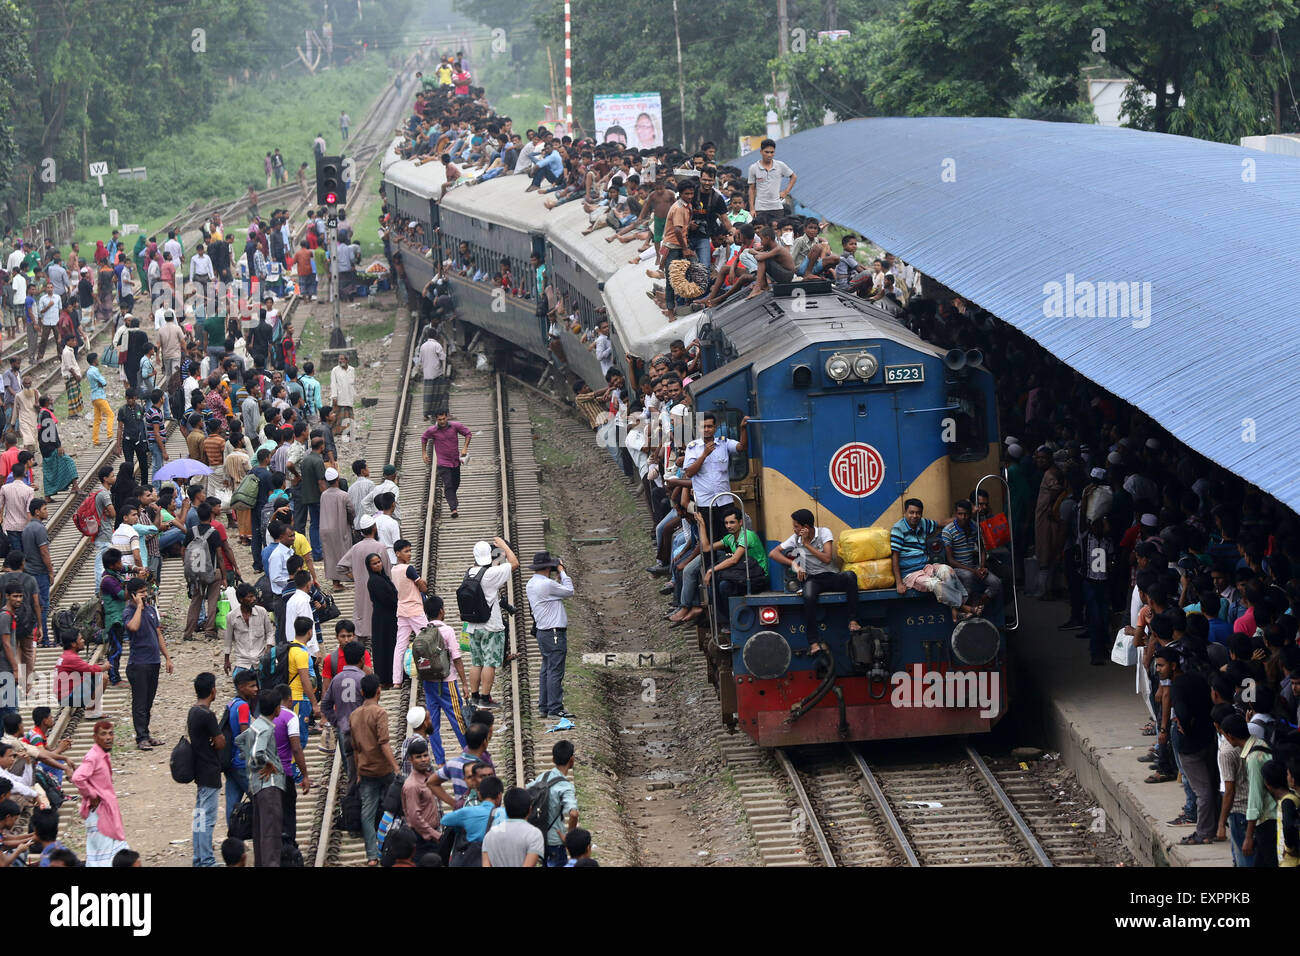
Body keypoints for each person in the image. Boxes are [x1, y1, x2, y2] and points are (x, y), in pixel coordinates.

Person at [768, 509, 863, 654]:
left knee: (850, 576)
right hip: (814, 579)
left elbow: (827, 558)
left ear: (806, 527)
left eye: (796, 526)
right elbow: (773, 553)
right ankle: (813, 642)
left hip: (831, 575)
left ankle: (853, 621)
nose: (794, 529)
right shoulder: (795, 538)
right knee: (808, 596)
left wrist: (806, 545)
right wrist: (794, 564)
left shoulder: (824, 533)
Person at [890, 498, 971, 616]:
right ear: (905, 513)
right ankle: (963, 607)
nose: (915, 516)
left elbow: (941, 523)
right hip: (910, 574)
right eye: (911, 512)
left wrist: (962, 517)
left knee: (947, 570)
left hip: (925, 568)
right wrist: (898, 583)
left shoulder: (922, 523)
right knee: (934, 584)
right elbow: (895, 557)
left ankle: (956, 608)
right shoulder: (898, 529)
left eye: (918, 513)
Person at [464, 537, 519, 708]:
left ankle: (474, 697)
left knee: (476, 662)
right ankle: (485, 698)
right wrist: (503, 546)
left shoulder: (470, 572)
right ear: (490, 555)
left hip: (473, 626)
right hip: (491, 626)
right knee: (490, 663)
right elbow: (514, 563)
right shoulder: (492, 574)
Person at [236, 686, 285, 867]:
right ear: (276, 709)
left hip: (256, 785)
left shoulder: (255, 726)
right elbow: (258, 751)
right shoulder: (266, 729)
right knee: (271, 834)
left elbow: (240, 741)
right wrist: (266, 763)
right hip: (269, 786)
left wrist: (249, 761)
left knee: (260, 834)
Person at [352, 674, 397, 865]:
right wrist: (395, 767)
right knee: (394, 809)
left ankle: (372, 855)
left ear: (362, 692)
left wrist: (358, 772)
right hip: (384, 770)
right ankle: (390, 848)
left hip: (365, 770)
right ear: (379, 691)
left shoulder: (354, 715)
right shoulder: (380, 713)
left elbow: (355, 748)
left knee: (367, 814)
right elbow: (384, 743)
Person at [418, 594, 468, 765]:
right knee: (458, 720)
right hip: (448, 682)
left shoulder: (423, 631)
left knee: (433, 725)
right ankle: (470, 754)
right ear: (441, 611)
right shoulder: (447, 631)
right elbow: (457, 658)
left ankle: (440, 761)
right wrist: (465, 684)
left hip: (429, 684)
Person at [71, 720, 129, 866]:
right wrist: (92, 794)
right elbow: (78, 778)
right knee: (107, 856)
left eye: (111, 733)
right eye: (103, 734)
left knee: (107, 854)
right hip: (100, 814)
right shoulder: (93, 756)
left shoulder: (102, 755)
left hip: (105, 812)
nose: (108, 737)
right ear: (95, 737)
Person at [124, 578, 172, 750]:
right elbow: (133, 627)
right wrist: (138, 606)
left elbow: (158, 634)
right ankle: (141, 737)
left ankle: (146, 733)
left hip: (153, 661)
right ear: (133, 594)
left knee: (148, 701)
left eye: (146, 591)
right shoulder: (129, 612)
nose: (145, 594)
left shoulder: (151, 610)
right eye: (142, 592)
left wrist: (167, 657)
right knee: (140, 702)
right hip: (138, 663)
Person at [526, 551, 575, 719]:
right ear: (548, 567)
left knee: (546, 669)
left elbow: (555, 590)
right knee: (555, 670)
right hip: (554, 632)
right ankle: (555, 708)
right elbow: (569, 591)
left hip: (543, 632)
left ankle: (544, 706)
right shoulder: (547, 585)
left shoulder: (532, 583)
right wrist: (562, 571)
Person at [188, 672, 226, 867]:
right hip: (210, 771)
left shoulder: (193, 711)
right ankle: (207, 861)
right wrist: (218, 739)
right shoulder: (208, 715)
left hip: (199, 771)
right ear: (213, 690)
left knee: (199, 818)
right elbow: (220, 742)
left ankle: (199, 858)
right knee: (207, 818)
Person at [943, 499, 1003, 612]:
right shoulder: (948, 531)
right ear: (956, 514)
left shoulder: (975, 527)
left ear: (970, 514)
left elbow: (982, 549)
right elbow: (950, 560)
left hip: (973, 567)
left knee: (996, 583)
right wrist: (973, 571)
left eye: (966, 514)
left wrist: (982, 566)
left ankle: (978, 604)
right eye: (960, 514)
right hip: (956, 569)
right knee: (968, 576)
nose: (963, 517)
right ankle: (965, 609)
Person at [526, 739, 580, 867]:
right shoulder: (565, 786)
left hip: (538, 838)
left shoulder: (543, 777)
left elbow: (526, 792)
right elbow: (573, 814)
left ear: (553, 760)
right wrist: (569, 837)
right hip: (555, 842)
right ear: (571, 759)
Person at [339, 515, 389, 646]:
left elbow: (341, 567)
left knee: (361, 622)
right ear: (374, 528)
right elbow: (388, 573)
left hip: (361, 590)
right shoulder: (380, 547)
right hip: (379, 590)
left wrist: (355, 577)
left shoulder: (356, 548)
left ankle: (359, 651)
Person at [482, 786, 544, 867]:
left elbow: (486, 864)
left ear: (506, 809)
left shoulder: (490, 834)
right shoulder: (534, 834)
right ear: (530, 809)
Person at [400, 737, 441, 857]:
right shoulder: (412, 785)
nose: (423, 760)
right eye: (418, 757)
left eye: (425, 755)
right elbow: (414, 817)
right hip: (421, 838)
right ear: (410, 760)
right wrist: (434, 834)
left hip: (430, 835)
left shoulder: (427, 778)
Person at [223, 582, 275, 676]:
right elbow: (228, 640)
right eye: (250, 597)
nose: (254, 599)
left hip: (260, 659)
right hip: (243, 662)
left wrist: (268, 648)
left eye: (254, 596)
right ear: (241, 599)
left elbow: (270, 632)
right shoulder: (231, 616)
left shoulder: (262, 612)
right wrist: (227, 660)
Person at [20, 497, 51, 648]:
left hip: (29, 572)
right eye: (44, 509)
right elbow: (44, 553)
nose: (47, 511)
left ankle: (33, 637)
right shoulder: (39, 529)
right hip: (40, 573)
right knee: (42, 606)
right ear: (37, 512)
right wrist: (50, 572)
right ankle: (43, 639)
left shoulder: (26, 528)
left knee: (33, 606)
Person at [746, 139, 795, 226]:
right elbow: (752, 189)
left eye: (772, 152)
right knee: (762, 232)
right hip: (760, 208)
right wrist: (752, 208)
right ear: (761, 151)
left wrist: (785, 192)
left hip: (777, 207)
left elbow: (793, 177)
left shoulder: (780, 165)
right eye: (767, 152)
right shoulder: (754, 168)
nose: (769, 155)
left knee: (777, 232)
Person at [319, 467, 353, 589]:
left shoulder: (323, 495)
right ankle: (348, 576)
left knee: (330, 555)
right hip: (340, 528)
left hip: (324, 528)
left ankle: (335, 583)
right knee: (343, 553)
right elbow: (351, 511)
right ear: (337, 479)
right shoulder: (344, 495)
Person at [417, 331, 447, 420]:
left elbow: (420, 360)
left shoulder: (423, 346)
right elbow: (443, 357)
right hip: (437, 372)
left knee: (428, 395)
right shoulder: (436, 345)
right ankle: (438, 412)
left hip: (427, 373)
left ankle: (425, 414)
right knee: (440, 393)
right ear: (436, 336)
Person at [330, 353, 355, 434]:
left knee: (348, 414)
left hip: (348, 396)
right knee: (338, 414)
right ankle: (337, 431)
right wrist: (334, 396)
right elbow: (333, 384)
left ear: (347, 360)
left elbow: (352, 383)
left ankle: (348, 431)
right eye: (339, 359)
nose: (340, 361)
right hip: (339, 396)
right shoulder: (335, 370)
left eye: (342, 359)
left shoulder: (352, 369)